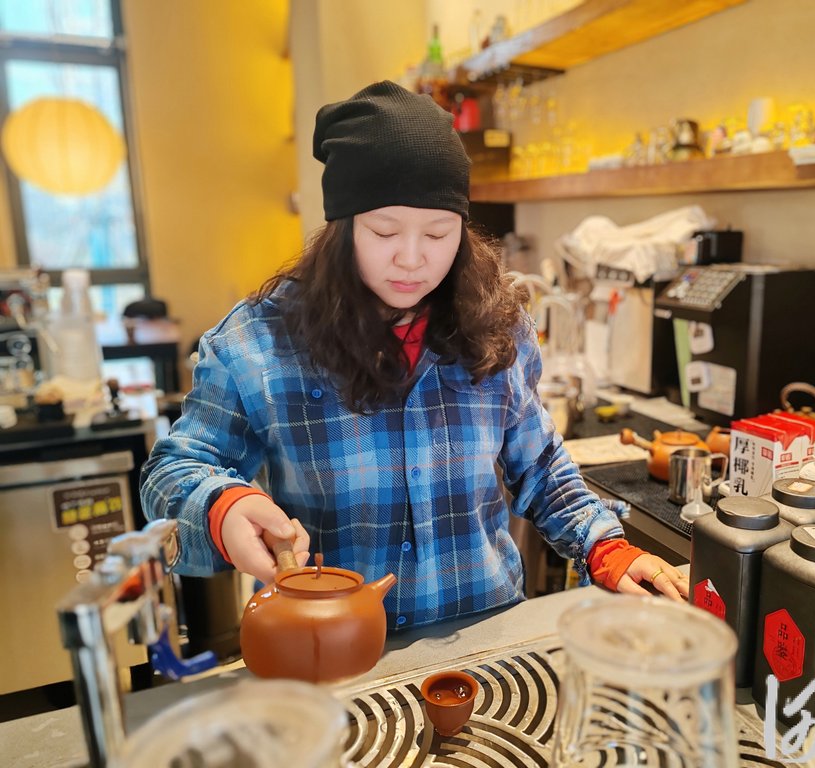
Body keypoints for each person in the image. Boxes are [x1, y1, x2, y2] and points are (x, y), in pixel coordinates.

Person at [141, 81, 686, 631]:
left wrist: (604, 546)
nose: (411, 258)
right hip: (333, 643)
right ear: (343, 227)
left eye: (438, 233)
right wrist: (223, 506)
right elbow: (171, 471)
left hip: (485, 638)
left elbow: (539, 464)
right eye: (384, 231)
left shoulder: (496, 325)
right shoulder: (261, 342)